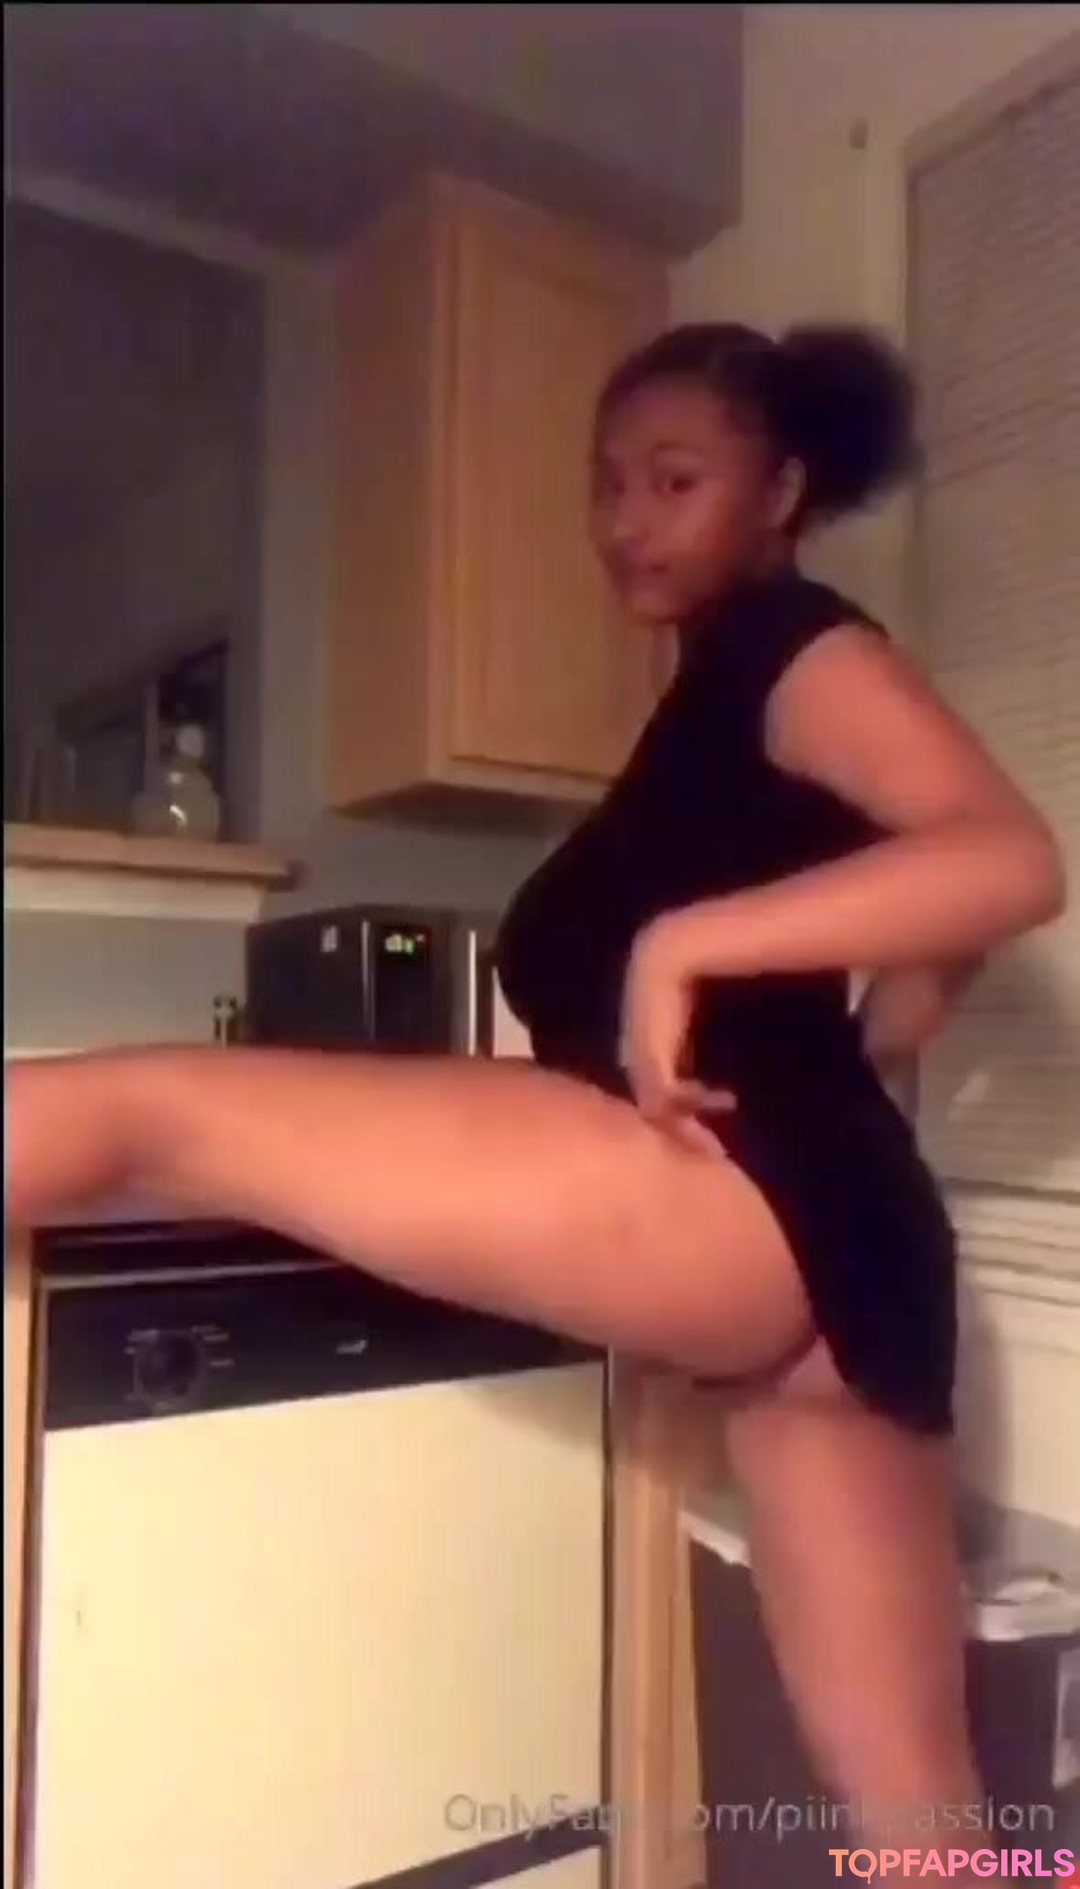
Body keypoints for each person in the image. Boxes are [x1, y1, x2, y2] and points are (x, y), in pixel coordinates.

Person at [6, 322, 1065, 1875]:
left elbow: (1009, 860)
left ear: (782, 490)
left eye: (675, 479)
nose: (627, 519)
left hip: (747, 1196)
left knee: (144, 1107)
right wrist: (854, 1049)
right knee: (925, 1823)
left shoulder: (792, 649)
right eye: (607, 484)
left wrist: (689, 944)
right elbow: (936, 929)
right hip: (852, 1252)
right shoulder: (723, 695)